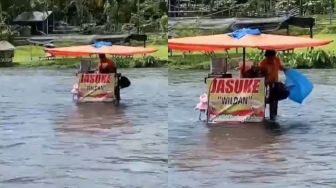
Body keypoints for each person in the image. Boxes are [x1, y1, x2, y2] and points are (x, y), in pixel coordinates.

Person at [258, 50, 289, 120]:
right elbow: (261, 76)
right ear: (267, 57)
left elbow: (280, 67)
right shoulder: (262, 64)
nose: (272, 60)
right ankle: (262, 116)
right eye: (270, 58)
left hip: (275, 84)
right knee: (264, 101)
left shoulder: (276, 59)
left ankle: (273, 117)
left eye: (273, 57)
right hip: (266, 84)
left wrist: (285, 69)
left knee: (275, 101)